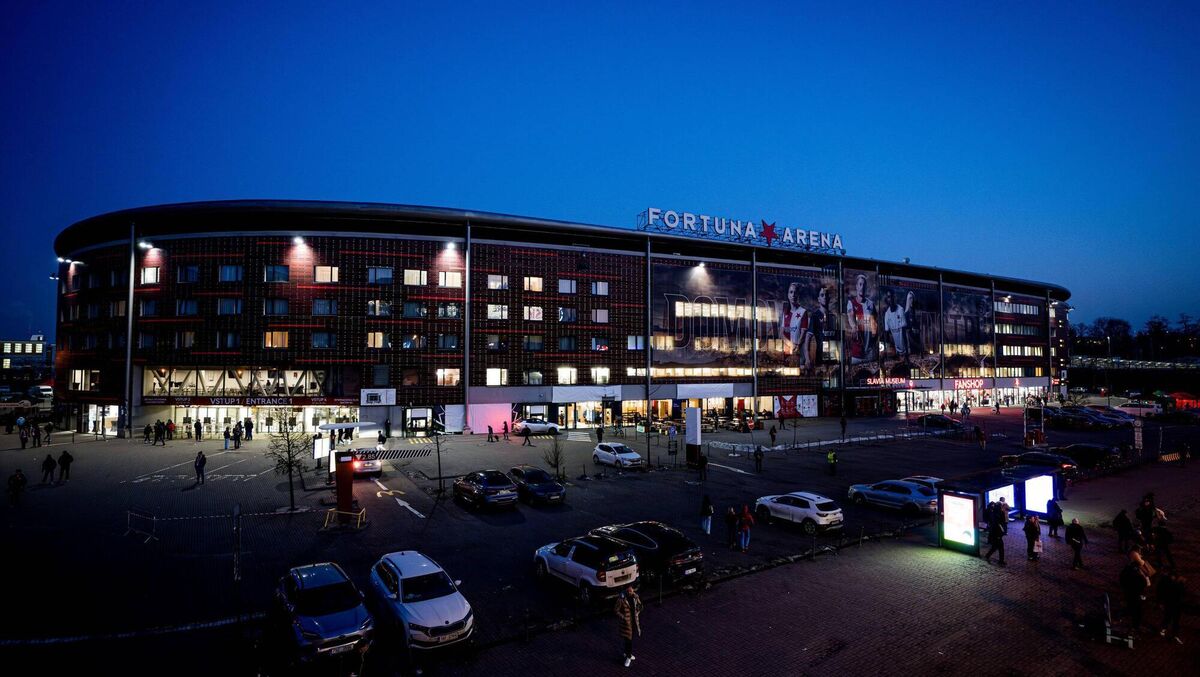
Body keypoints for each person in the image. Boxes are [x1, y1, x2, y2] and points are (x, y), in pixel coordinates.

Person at [614, 585, 642, 668]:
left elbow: (640, 606)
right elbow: (616, 610)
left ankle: (627, 653)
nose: (630, 592)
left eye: (631, 590)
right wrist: (623, 617)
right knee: (628, 640)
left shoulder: (635, 597)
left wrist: (638, 611)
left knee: (630, 639)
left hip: (634, 623)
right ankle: (628, 657)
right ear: (626, 590)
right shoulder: (621, 599)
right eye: (629, 590)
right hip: (626, 624)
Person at [1119, 558, 1149, 631]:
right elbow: (1144, 583)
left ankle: (1122, 617)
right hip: (1136, 595)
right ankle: (1135, 626)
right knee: (1137, 612)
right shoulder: (1138, 575)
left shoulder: (1126, 571)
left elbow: (1121, 579)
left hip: (1128, 592)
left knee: (1129, 606)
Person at [1157, 572, 1186, 644]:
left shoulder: (1167, 582)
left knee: (1170, 618)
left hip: (1172, 604)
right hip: (1173, 604)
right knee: (1172, 619)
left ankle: (1167, 632)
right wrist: (1181, 583)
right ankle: (1172, 634)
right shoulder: (1173, 584)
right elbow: (1182, 593)